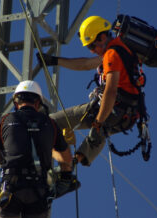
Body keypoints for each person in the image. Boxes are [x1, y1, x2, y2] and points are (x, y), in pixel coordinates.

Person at [37, 15, 145, 166]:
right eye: (89, 48)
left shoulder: (111, 55)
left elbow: (111, 91)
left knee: (51, 122)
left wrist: (98, 123)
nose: (93, 51)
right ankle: (74, 162)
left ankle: (62, 163)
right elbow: (85, 64)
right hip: (128, 116)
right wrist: (54, 61)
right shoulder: (120, 48)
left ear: (102, 37)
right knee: (100, 130)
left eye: (92, 46)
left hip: (115, 109)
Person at [0, 80, 80, 218]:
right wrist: (65, 177)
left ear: (16, 102)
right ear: (38, 103)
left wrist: (6, 155)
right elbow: (66, 159)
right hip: (38, 191)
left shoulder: (5, 120)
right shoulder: (51, 124)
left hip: (12, 188)